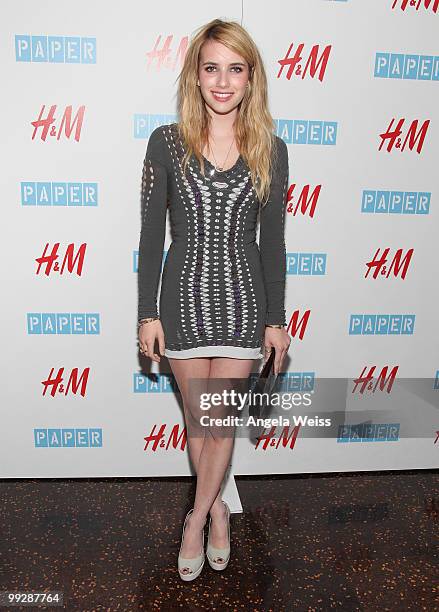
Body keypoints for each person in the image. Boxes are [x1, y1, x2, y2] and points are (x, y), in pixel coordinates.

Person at [137, 18, 291, 581]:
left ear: (251, 79)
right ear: (195, 76)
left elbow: (271, 244)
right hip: (180, 304)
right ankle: (219, 507)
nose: (222, 81)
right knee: (199, 427)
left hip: (245, 306)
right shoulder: (166, 144)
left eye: (235, 68)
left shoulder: (271, 150)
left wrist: (276, 320)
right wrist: (145, 314)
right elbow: (151, 235)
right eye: (211, 68)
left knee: (219, 424)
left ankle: (195, 520)